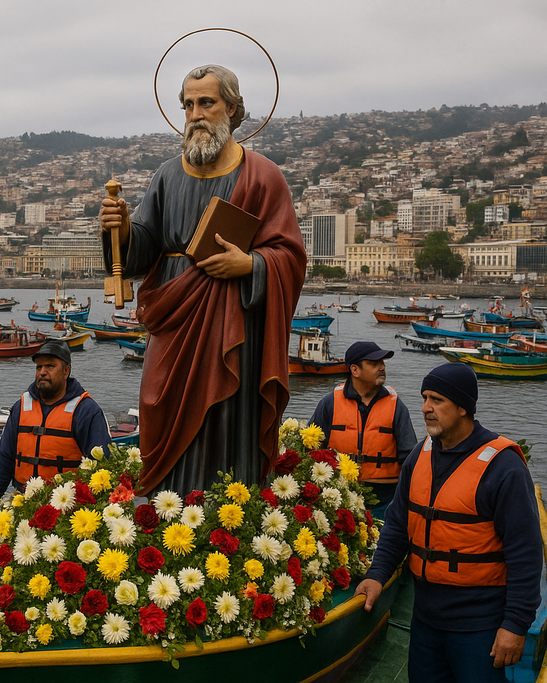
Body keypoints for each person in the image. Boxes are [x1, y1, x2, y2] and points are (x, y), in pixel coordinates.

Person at [100, 64, 306, 494]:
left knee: (228, 419)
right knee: (162, 411)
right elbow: (142, 250)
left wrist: (250, 265)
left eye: (206, 103)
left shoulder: (263, 176)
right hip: (175, 322)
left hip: (236, 326)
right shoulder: (167, 175)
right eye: (188, 104)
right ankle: (165, 513)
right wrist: (119, 228)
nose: (195, 114)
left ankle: (228, 525)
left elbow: (289, 255)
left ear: (232, 108)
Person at [355, 364, 542, 682]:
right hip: (426, 618)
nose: (426, 407)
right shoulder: (419, 456)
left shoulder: (503, 468)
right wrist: (377, 575)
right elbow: (399, 526)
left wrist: (514, 625)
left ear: (463, 407)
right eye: (425, 397)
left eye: (437, 400)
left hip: (479, 624)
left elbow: (525, 555)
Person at [0, 339, 113, 520]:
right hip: (23, 505)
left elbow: (103, 466)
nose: (42, 372)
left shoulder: (86, 411)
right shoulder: (21, 407)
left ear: (66, 371)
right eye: (38, 367)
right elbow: (5, 456)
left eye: (50, 366)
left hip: (67, 513)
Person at [308, 340, 417, 513]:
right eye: (374, 363)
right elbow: (310, 448)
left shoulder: (396, 406)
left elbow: (410, 458)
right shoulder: (330, 403)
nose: (382, 367)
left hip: (385, 498)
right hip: (338, 494)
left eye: (382, 363)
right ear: (355, 370)